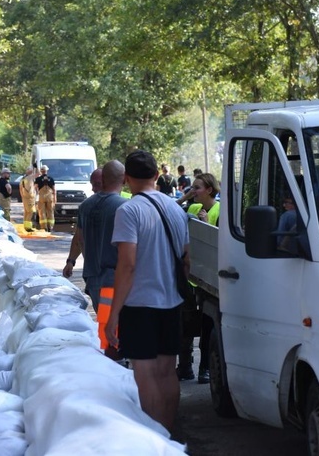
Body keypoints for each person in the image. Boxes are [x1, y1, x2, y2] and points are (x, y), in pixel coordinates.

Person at [106, 149, 189, 432]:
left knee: (145, 373)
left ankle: (154, 439)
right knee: (168, 372)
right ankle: (168, 435)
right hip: (172, 303)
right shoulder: (176, 209)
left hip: (141, 305)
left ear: (127, 178)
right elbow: (186, 260)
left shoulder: (128, 211)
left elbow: (127, 266)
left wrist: (113, 314)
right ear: (157, 175)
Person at [63, 164, 126, 312]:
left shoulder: (85, 206)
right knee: (116, 325)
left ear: (104, 180)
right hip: (113, 277)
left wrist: (71, 261)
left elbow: (79, 238)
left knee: (105, 321)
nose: (93, 188)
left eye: (96, 184)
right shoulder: (124, 207)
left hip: (93, 277)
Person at [178, 172, 220, 384]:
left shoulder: (221, 210)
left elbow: (222, 241)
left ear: (209, 190)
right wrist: (185, 198)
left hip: (209, 280)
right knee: (185, 325)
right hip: (190, 276)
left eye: (197, 188)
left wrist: (207, 224)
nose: (193, 191)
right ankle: (184, 367)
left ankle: (205, 369)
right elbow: (170, 211)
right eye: (192, 187)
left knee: (205, 327)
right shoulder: (192, 207)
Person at [35, 164, 57, 232]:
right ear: (46, 171)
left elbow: (35, 187)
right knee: (50, 211)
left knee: (42, 212)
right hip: (49, 196)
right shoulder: (51, 179)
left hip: (41, 197)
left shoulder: (38, 179)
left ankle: (44, 227)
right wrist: (55, 198)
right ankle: (50, 226)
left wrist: (37, 194)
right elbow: (54, 189)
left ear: (41, 171)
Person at [20, 166, 37, 232]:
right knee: (30, 212)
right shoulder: (29, 177)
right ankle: (28, 227)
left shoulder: (23, 179)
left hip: (25, 197)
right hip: (30, 197)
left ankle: (26, 226)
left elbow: (20, 188)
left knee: (26, 212)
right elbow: (38, 174)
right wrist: (36, 167)